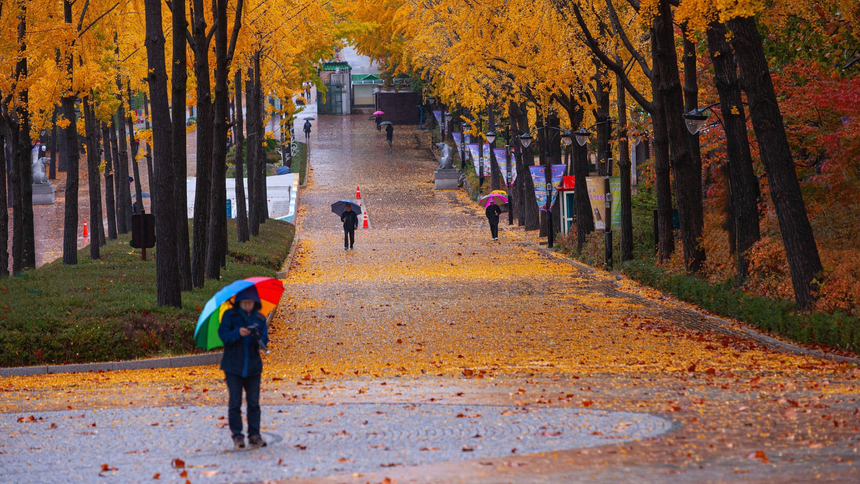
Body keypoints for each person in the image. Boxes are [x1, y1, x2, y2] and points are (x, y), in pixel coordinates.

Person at [218, 288, 269, 450]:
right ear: (239, 302)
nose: (247, 306)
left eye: (250, 303)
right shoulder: (230, 316)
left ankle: (254, 435)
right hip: (233, 366)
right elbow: (224, 336)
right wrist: (237, 333)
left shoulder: (260, 319)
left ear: (255, 303)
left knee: (254, 403)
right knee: (235, 402)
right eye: (244, 303)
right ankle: (237, 435)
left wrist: (257, 337)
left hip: (253, 367)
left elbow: (265, 340)